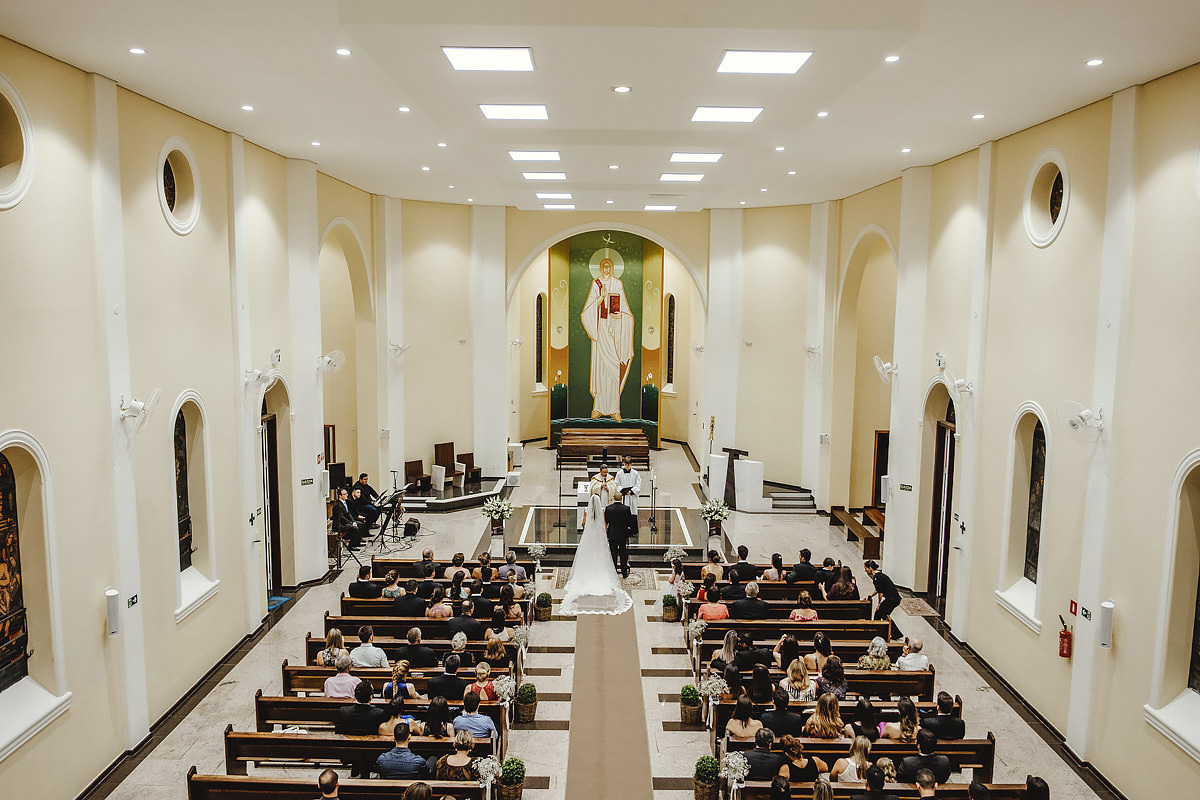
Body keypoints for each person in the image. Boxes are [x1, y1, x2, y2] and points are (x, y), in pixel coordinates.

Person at [560, 490, 636, 615]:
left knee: (590, 555)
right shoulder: (603, 510)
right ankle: (621, 571)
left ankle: (589, 573)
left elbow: (583, 523)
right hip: (612, 536)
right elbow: (605, 525)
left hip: (590, 538)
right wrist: (603, 534)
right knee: (615, 554)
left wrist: (589, 527)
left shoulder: (587, 510)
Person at [581, 253, 633, 420]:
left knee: (614, 368)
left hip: (615, 329)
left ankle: (614, 409)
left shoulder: (617, 283)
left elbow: (624, 308)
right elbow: (587, 311)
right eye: (604, 266)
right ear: (600, 268)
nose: (606, 269)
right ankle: (598, 407)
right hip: (601, 328)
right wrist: (601, 297)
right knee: (601, 368)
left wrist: (621, 316)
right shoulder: (596, 284)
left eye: (609, 266)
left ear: (612, 269)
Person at [336, 681, 387, 777]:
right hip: (372, 751)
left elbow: (339, 731)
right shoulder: (379, 713)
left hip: (348, 750)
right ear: (371, 697)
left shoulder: (343, 711)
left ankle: (356, 772)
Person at [604, 494, 636, 578]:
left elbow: (606, 521)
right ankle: (624, 571)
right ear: (621, 498)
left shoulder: (608, 508)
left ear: (613, 498)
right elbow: (630, 522)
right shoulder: (626, 508)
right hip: (623, 534)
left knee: (613, 553)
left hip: (612, 534)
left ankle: (613, 571)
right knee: (623, 553)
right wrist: (630, 531)